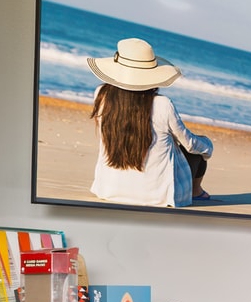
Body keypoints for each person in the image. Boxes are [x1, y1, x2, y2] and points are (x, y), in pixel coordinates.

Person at [86, 37, 214, 207]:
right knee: (196, 152)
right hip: (157, 198)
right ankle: (196, 191)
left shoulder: (101, 95)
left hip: (108, 190)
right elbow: (189, 144)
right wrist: (208, 146)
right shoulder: (163, 104)